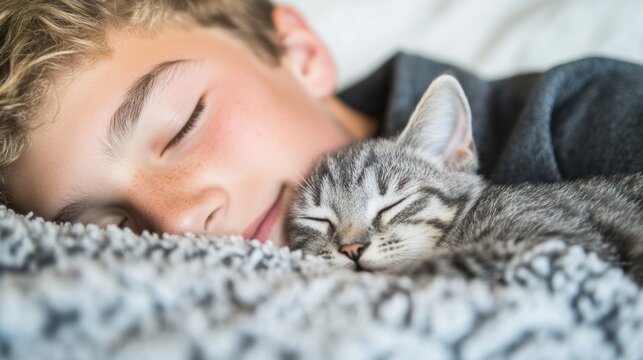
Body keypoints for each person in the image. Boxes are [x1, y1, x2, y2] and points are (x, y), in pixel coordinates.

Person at [0, 0, 641, 248]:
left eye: (182, 126)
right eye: (103, 224)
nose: (175, 222)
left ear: (300, 56)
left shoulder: (580, 121)